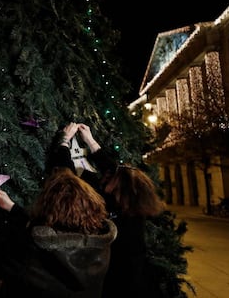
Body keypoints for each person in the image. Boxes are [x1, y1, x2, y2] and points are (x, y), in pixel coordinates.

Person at [46, 122, 167, 298]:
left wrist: (64, 142)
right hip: (138, 282)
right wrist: (91, 142)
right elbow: (117, 172)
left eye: (111, 178)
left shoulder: (106, 206)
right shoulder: (133, 204)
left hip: (119, 286)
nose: (106, 175)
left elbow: (66, 181)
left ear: (119, 189)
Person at [0, 166, 117, 298]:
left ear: (48, 211)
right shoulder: (100, 246)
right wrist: (13, 208)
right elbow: (49, 232)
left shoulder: (30, 255)